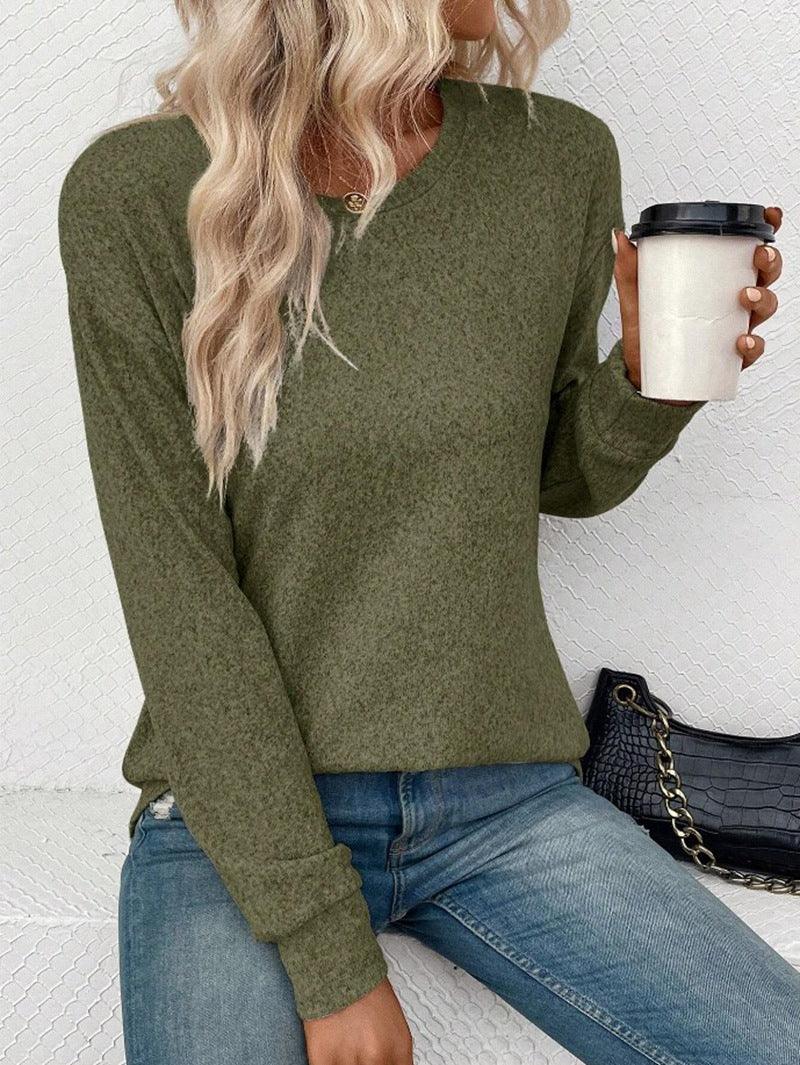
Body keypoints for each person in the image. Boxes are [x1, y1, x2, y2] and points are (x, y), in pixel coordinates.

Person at [58, 2, 795, 1063]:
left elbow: (547, 478)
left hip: (502, 799)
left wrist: (647, 380)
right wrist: (329, 958)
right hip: (241, 823)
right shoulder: (137, 192)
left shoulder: (553, 160)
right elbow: (180, 597)